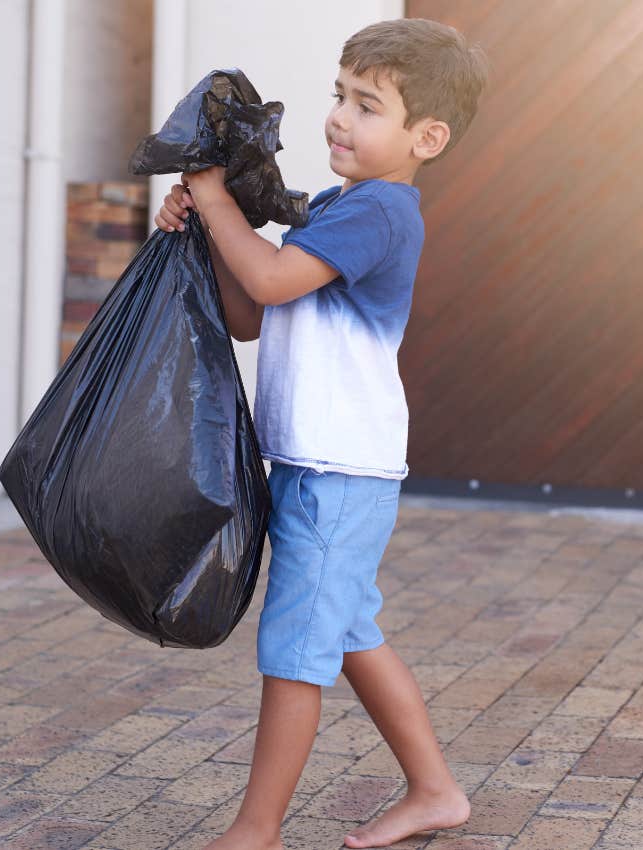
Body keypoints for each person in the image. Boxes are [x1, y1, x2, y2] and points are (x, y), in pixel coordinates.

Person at [154, 17, 487, 850]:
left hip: (340, 467)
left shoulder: (378, 213)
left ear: (427, 136)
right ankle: (435, 792)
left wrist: (222, 197)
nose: (340, 116)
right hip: (313, 460)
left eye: (367, 105)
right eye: (340, 95)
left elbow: (265, 280)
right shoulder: (339, 205)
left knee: (296, 648)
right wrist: (201, 225)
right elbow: (250, 313)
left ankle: (255, 832)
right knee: (345, 634)